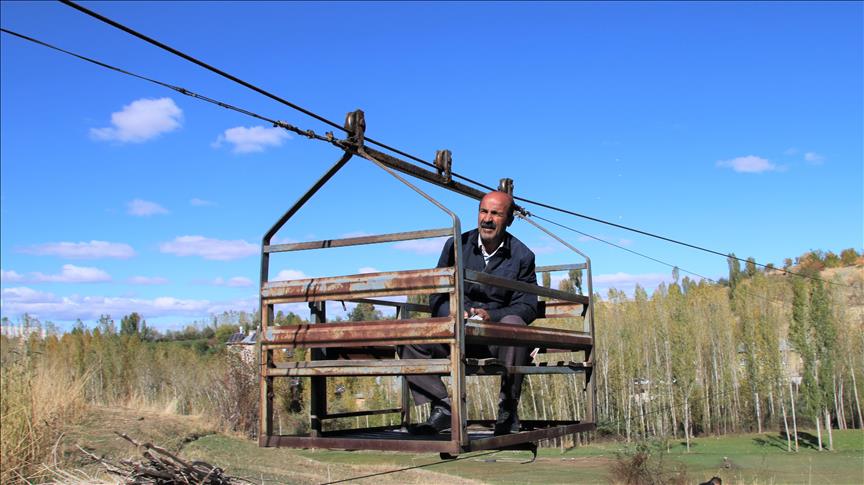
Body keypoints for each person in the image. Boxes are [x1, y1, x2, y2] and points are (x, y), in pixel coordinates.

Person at [400, 190, 538, 435]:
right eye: (483, 211)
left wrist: (492, 316)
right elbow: (437, 292)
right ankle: (442, 407)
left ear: (509, 219)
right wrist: (457, 311)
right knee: (408, 336)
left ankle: (508, 410)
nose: (487, 219)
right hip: (456, 332)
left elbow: (527, 305)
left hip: (494, 339)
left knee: (515, 324)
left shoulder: (522, 255)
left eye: (496, 214)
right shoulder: (456, 245)